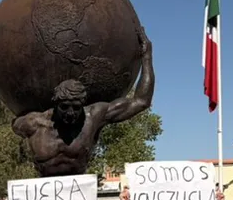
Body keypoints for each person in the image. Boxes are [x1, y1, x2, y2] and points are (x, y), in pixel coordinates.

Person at [11, 28, 154, 177]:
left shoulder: (93, 117)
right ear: (55, 103)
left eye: (76, 107)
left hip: (81, 193)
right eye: (64, 107)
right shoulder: (32, 123)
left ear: (83, 105)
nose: (70, 113)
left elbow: (141, 101)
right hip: (45, 195)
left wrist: (147, 57)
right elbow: (14, 121)